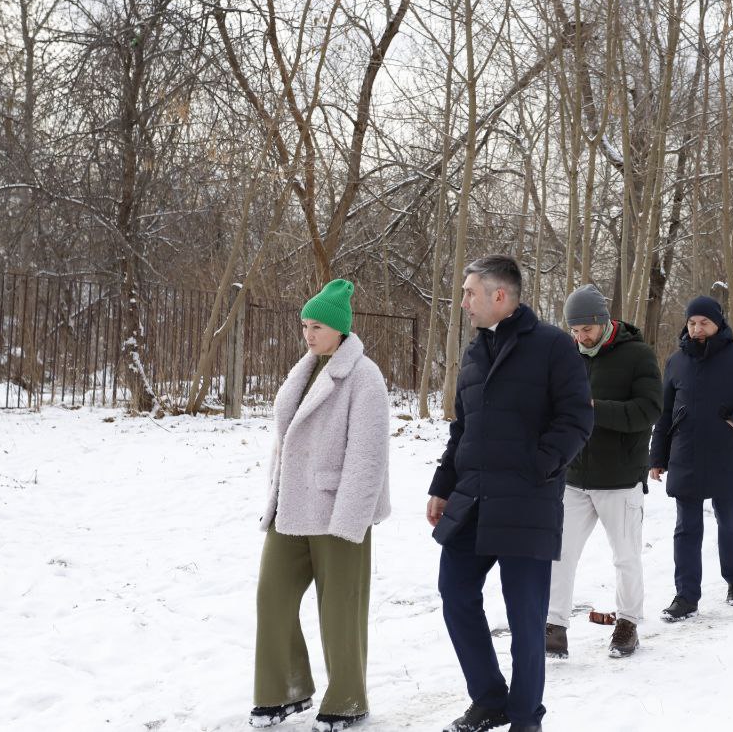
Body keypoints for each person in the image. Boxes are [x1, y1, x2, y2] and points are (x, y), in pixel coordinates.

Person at [428, 255, 593, 732]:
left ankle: (525, 718)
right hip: (473, 500)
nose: (463, 302)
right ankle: (488, 699)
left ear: (499, 296)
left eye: (469, 293)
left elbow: (577, 419)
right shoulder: (476, 352)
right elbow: (463, 429)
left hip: (526, 502)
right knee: (455, 592)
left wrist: (536, 468)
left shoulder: (554, 347)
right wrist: (443, 487)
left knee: (525, 620)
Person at [251, 279, 391, 731]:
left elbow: (368, 456)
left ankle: (348, 700)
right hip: (291, 508)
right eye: (305, 325)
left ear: (340, 329)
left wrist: (351, 519)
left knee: (340, 610)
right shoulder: (304, 369)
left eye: (317, 326)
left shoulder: (364, 376)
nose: (308, 334)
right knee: (272, 597)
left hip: (338, 511)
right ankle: (284, 691)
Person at [544, 284, 662, 661]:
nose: (580, 337)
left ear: (603, 321)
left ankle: (627, 623)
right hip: (574, 476)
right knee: (559, 554)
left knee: (626, 556)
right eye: (574, 331)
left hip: (620, 477)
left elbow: (649, 410)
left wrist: (594, 408)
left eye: (586, 330)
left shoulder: (638, 356)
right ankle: (554, 625)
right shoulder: (568, 356)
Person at [650, 296, 733, 620]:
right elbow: (665, 412)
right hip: (685, 453)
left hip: (725, 451)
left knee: (728, 519)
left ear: (718, 323)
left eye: (703, 322)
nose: (697, 328)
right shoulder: (676, 361)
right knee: (686, 527)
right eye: (692, 323)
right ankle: (686, 596)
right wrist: (657, 456)